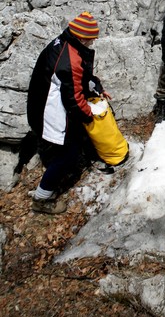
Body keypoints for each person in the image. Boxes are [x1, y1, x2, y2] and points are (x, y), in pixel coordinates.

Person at [27, 11, 111, 214]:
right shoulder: (69, 58)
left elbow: (81, 78)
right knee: (68, 155)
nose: (93, 42)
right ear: (82, 36)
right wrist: (91, 117)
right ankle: (41, 198)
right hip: (50, 112)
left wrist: (97, 87)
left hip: (41, 104)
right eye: (91, 38)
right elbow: (73, 98)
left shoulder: (65, 43)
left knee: (69, 148)